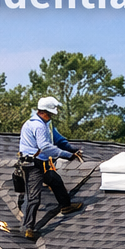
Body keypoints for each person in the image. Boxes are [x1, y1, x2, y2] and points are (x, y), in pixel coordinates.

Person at [19, 96, 85, 239]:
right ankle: (28, 228)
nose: (51, 117)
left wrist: (72, 150)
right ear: (43, 112)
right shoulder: (38, 126)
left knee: (55, 180)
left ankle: (65, 205)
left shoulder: (45, 124)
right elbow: (45, 147)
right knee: (34, 198)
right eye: (50, 114)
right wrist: (66, 155)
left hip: (40, 163)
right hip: (33, 166)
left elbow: (58, 140)